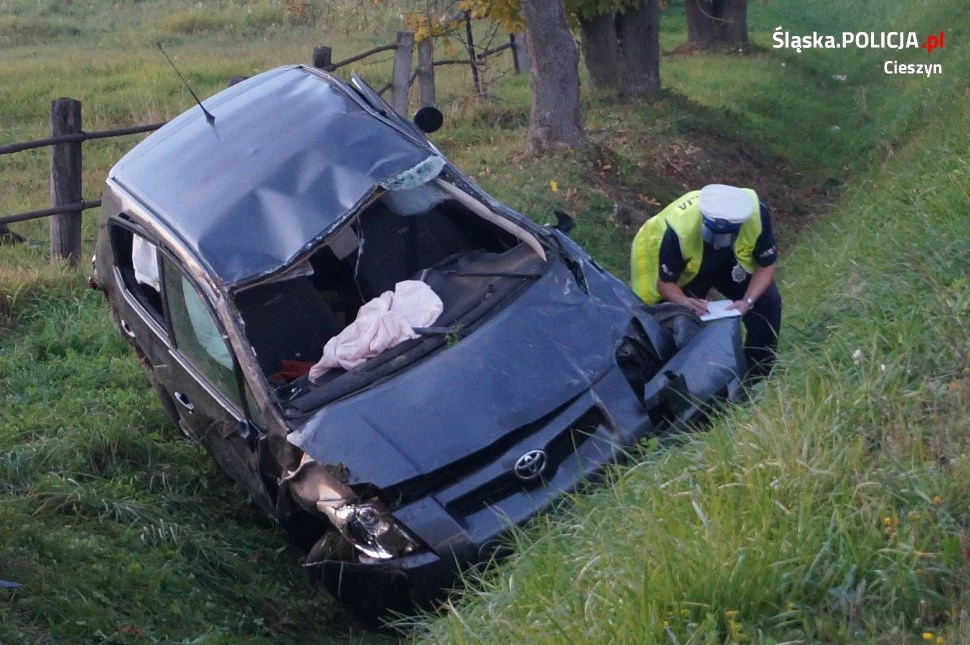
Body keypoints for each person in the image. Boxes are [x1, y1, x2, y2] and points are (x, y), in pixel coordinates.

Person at [630, 184, 782, 378]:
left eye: (723, 238)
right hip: (678, 263)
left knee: (768, 300)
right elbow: (665, 284)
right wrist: (685, 302)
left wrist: (747, 302)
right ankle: (697, 386)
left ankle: (759, 375)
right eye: (713, 237)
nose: (717, 245)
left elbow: (767, 266)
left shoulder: (756, 215)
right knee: (681, 321)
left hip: (729, 259)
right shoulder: (679, 231)